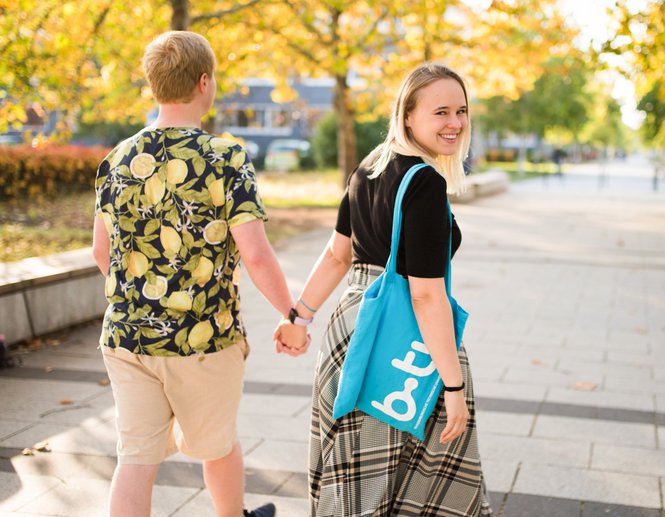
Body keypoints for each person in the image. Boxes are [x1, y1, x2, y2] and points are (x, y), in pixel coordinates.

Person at [91, 31, 308, 517]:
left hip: (127, 338)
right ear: (204, 82)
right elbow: (255, 253)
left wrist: (143, 298)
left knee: (136, 458)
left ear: (154, 85)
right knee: (217, 445)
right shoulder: (225, 158)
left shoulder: (117, 160)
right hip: (203, 339)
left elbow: (100, 250)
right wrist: (292, 313)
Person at [276, 63, 492, 516]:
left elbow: (338, 255)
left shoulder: (368, 168)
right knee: (416, 477)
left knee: (358, 476)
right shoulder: (426, 184)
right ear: (408, 116)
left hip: (350, 330)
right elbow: (425, 294)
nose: (454, 123)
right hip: (405, 343)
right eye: (441, 112)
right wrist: (453, 387)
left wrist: (300, 318)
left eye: (461, 111)